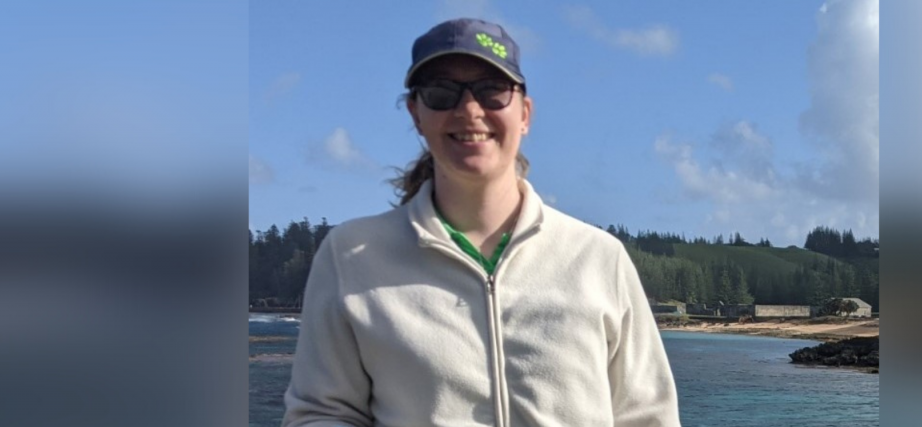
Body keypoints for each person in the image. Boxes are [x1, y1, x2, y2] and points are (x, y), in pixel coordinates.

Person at [282, 18, 679, 427]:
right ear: (416, 113)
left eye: (492, 91)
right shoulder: (351, 256)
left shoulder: (598, 258)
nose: (469, 110)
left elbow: (648, 417)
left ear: (524, 113)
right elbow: (322, 413)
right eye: (441, 92)